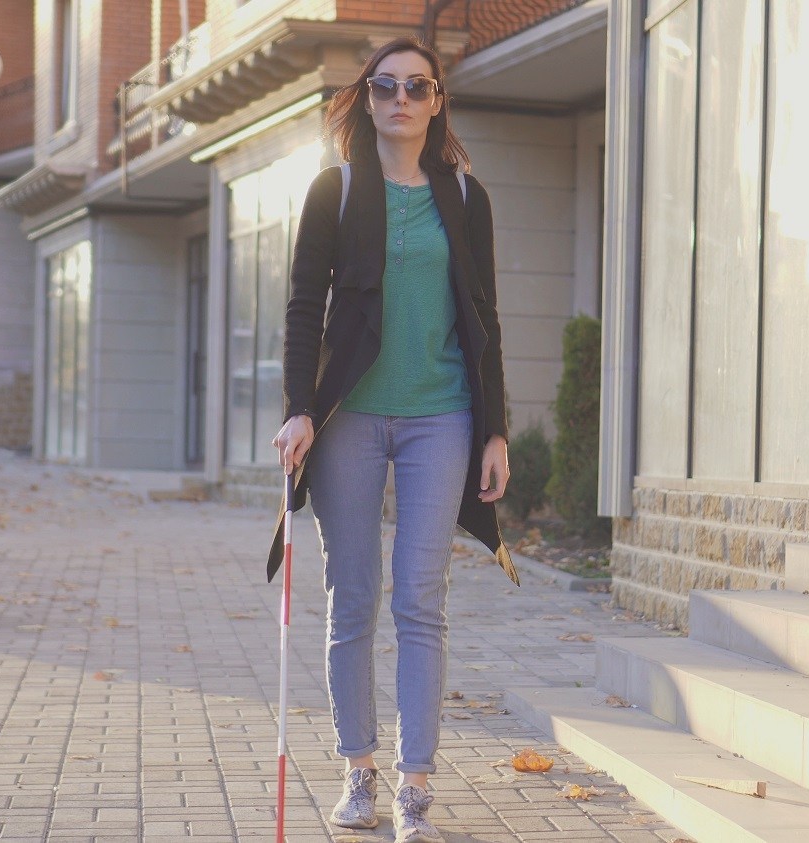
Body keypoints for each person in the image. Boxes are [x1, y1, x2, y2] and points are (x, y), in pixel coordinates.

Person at [266, 36, 519, 843]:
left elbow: (486, 320)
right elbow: (305, 308)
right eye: (386, 87)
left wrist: (496, 429)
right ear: (367, 98)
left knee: (421, 599)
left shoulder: (467, 199)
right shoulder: (333, 191)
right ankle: (358, 769)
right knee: (353, 596)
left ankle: (414, 787)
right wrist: (299, 407)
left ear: (438, 101)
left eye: (417, 87)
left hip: (441, 415)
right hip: (350, 420)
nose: (401, 99)